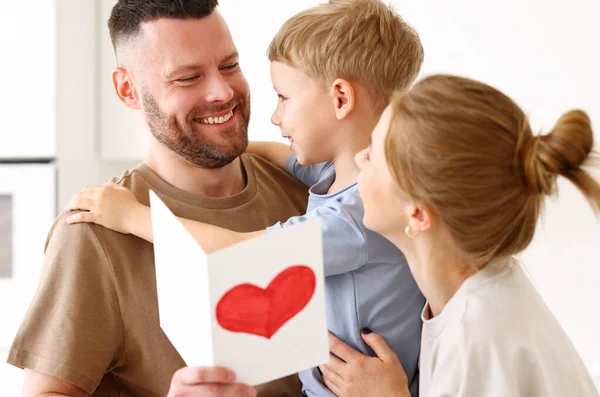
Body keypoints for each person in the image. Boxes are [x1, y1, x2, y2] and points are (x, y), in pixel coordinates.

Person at [65, 1, 426, 396]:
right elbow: (281, 154)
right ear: (127, 89)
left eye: (283, 98)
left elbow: (238, 250)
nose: (274, 115)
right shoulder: (338, 174)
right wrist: (216, 137)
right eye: (187, 77)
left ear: (340, 99)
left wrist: (134, 217)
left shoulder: (359, 215)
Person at [7, 1, 312, 396]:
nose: (222, 91)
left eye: (229, 65)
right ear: (127, 89)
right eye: (187, 78)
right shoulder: (94, 234)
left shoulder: (311, 191)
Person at [316, 74, 600, 396]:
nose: (358, 159)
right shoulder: (473, 295)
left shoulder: (478, 335)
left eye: (371, 156)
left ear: (419, 214)